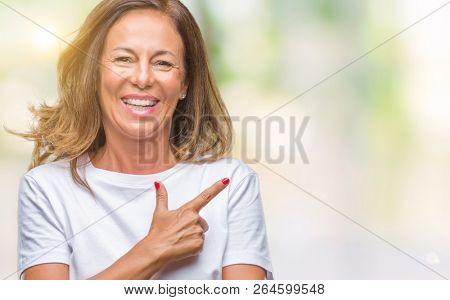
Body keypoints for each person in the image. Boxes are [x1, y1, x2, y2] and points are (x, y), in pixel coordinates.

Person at [11, 0, 273, 280]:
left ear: (184, 83)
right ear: (95, 73)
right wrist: (152, 250)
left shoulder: (232, 185)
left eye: (163, 62)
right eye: (124, 59)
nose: (143, 77)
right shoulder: (46, 188)